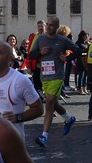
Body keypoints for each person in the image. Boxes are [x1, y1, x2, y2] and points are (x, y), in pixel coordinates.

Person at [29, 17, 80, 147]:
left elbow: (79, 50)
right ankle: (69, 118)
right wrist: (40, 52)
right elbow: (31, 55)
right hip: (45, 76)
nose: (49, 27)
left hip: (57, 76)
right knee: (53, 103)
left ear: (57, 27)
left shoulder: (62, 40)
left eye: (52, 25)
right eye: (48, 25)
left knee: (49, 103)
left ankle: (44, 136)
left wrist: (67, 57)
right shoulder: (40, 39)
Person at [25, 20, 47, 100]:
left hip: (47, 63)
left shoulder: (49, 36)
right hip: (37, 63)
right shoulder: (34, 37)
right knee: (37, 81)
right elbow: (30, 52)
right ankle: (40, 97)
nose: (40, 28)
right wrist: (29, 66)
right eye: (39, 26)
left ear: (45, 27)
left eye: (42, 26)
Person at [75, 30, 90, 94]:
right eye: (85, 36)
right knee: (81, 75)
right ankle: (79, 88)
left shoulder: (85, 43)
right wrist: (88, 47)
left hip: (86, 61)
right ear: (82, 36)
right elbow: (81, 52)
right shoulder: (78, 43)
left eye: (87, 37)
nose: (86, 38)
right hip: (80, 61)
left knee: (85, 76)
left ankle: (84, 87)